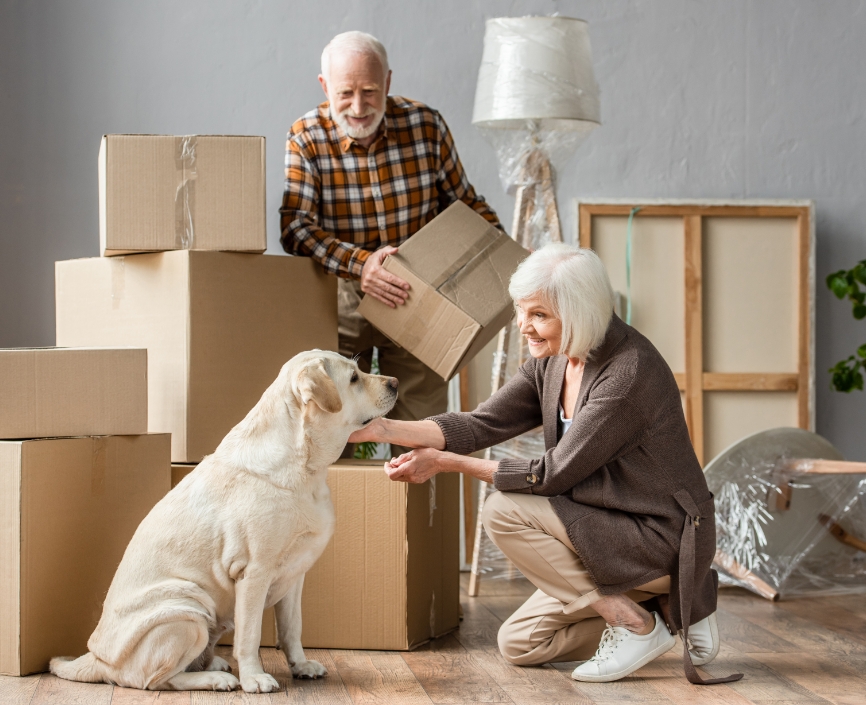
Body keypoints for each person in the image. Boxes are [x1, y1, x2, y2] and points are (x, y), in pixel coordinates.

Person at [349, 244, 741, 685]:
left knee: (503, 509)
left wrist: (446, 463)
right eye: (521, 311)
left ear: (578, 313)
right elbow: (481, 424)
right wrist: (382, 429)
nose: (524, 327)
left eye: (539, 315)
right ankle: (671, 610)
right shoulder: (554, 360)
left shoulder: (628, 375)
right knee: (519, 645)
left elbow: (552, 475)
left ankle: (636, 626)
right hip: (602, 527)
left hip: (661, 535)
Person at [280, 31, 503, 455]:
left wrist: (507, 253)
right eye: (346, 93)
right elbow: (295, 227)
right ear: (326, 87)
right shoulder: (306, 136)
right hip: (342, 294)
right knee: (329, 430)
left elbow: (465, 203)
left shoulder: (426, 125)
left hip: (417, 294)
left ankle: (418, 521)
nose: (359, 107)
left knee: (424, 431)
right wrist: (362, 265)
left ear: (388, 81)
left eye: (370, 91)